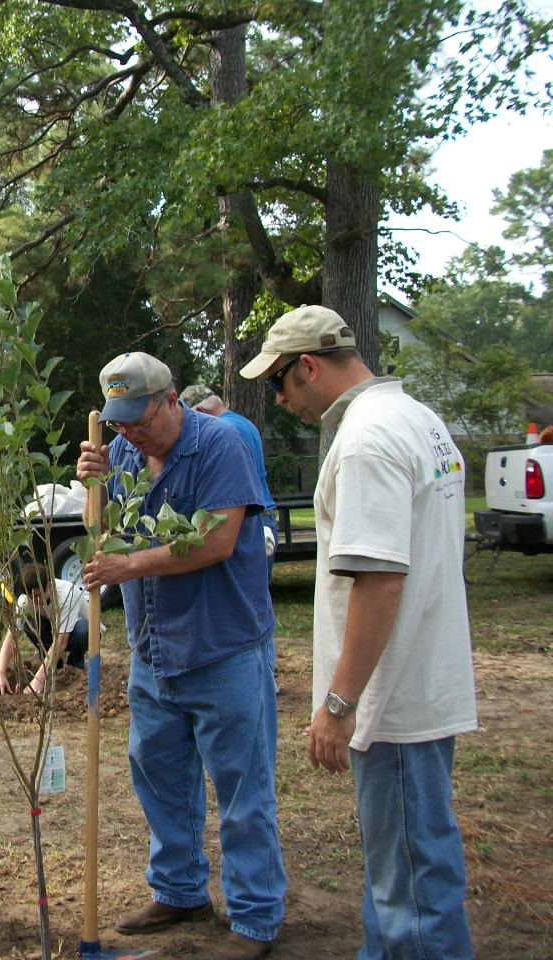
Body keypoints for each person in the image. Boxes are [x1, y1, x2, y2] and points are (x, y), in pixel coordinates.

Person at [240, 304, 477, 959]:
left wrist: (339, 704)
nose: (280, 399)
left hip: (391, 701)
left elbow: (380, 581)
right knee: (403, 872)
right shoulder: (419, 420)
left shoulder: (366, 441)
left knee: (411, 894)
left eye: (278, 382)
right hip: (422, 685)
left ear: (308, 366)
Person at [77, 353, 285, 960]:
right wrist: (93, 484)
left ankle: (255, 918)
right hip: (154, 650)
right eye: (119, 422)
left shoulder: (220, 445)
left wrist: (129, 566)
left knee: (243, 792)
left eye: (139, 421)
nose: (130, 434)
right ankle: (179, 889)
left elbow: (217, 540)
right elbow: (102, 530)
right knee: (160, 779)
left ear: (171, 401)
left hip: (223, 649)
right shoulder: (120, 451)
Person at [178, 384, 278, 569]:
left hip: (246, 520)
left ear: (199, 411)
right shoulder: (245, 423)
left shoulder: (224, 432)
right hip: (265, 514)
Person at [0, 562, 91, 696]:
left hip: (82, 630)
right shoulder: (25, 601)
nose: (34, 601)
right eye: (30, 597)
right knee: (29, 622)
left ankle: (74, 668)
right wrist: (0, 673)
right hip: (54, 628)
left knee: (82, 630)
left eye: (37, 596)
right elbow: (11, 637)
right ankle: (54, 666)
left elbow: (61, 642)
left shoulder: (67, 595)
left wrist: (38, 680)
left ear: (49, 585)